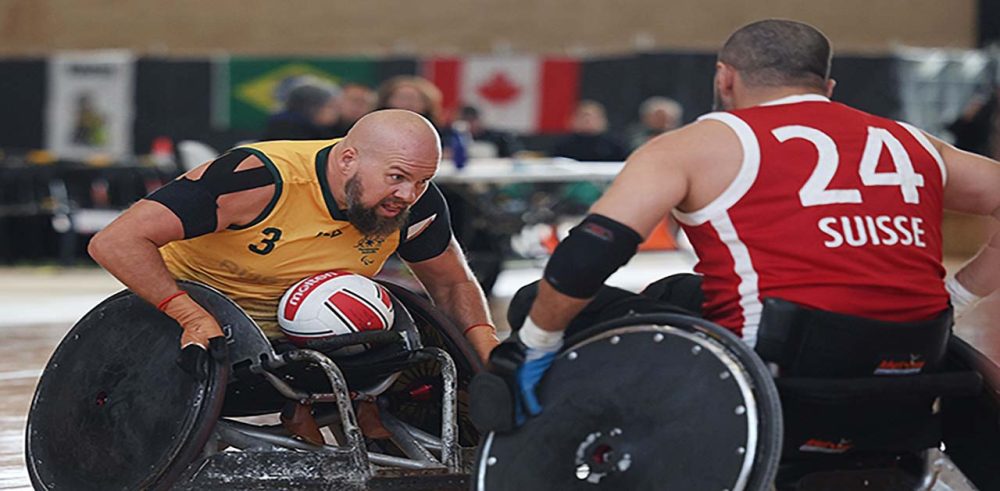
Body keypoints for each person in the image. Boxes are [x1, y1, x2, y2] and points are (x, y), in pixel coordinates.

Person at [502, 19, 1000, 426]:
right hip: (916, 354)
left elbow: (589, 254)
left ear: (724, 78)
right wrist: (957, 297)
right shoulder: (912, 142)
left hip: (775, 367)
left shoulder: (700, 143)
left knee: (539, 305)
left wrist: (536, 344)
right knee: (678, 289)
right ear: (826, 87)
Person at [88, 109, 500, 443]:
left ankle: (359, 415)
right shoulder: (255, 177)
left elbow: (451, 283)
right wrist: (188, 314)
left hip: (313, 335)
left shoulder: (415, 204)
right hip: (202, 332)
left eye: (422, 180)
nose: (409, 195)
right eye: (397, 177)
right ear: (347, 159)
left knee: (386, 316)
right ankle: (322, 413)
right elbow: (115, 242)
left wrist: (488, 350)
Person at [551, 100, 629, 163]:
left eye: (593, 117)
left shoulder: (616, 145)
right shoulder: (563, 145)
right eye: (583, 116)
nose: (587, 121)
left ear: (603, 120)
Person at [261, 81, 340, 141]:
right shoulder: (291, 133)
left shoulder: (316, 130)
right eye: (330, 107)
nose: (336, 112)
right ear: (312, 109)